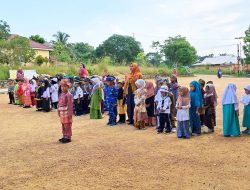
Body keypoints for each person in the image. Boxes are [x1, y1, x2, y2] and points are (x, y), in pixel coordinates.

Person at [58, 79, 73, 143]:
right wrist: (58, 111)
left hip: (66, 112)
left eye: (64, 86)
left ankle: (68, 137)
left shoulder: (68, 95)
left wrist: (70, 114)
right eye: (61, 86)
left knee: (67, 125)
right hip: (62, 112)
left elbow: (70, 105)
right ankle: (64, 135)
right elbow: (59, 103)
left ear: (67, 87)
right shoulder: (61, 94)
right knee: (63, 124)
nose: (63, 88)